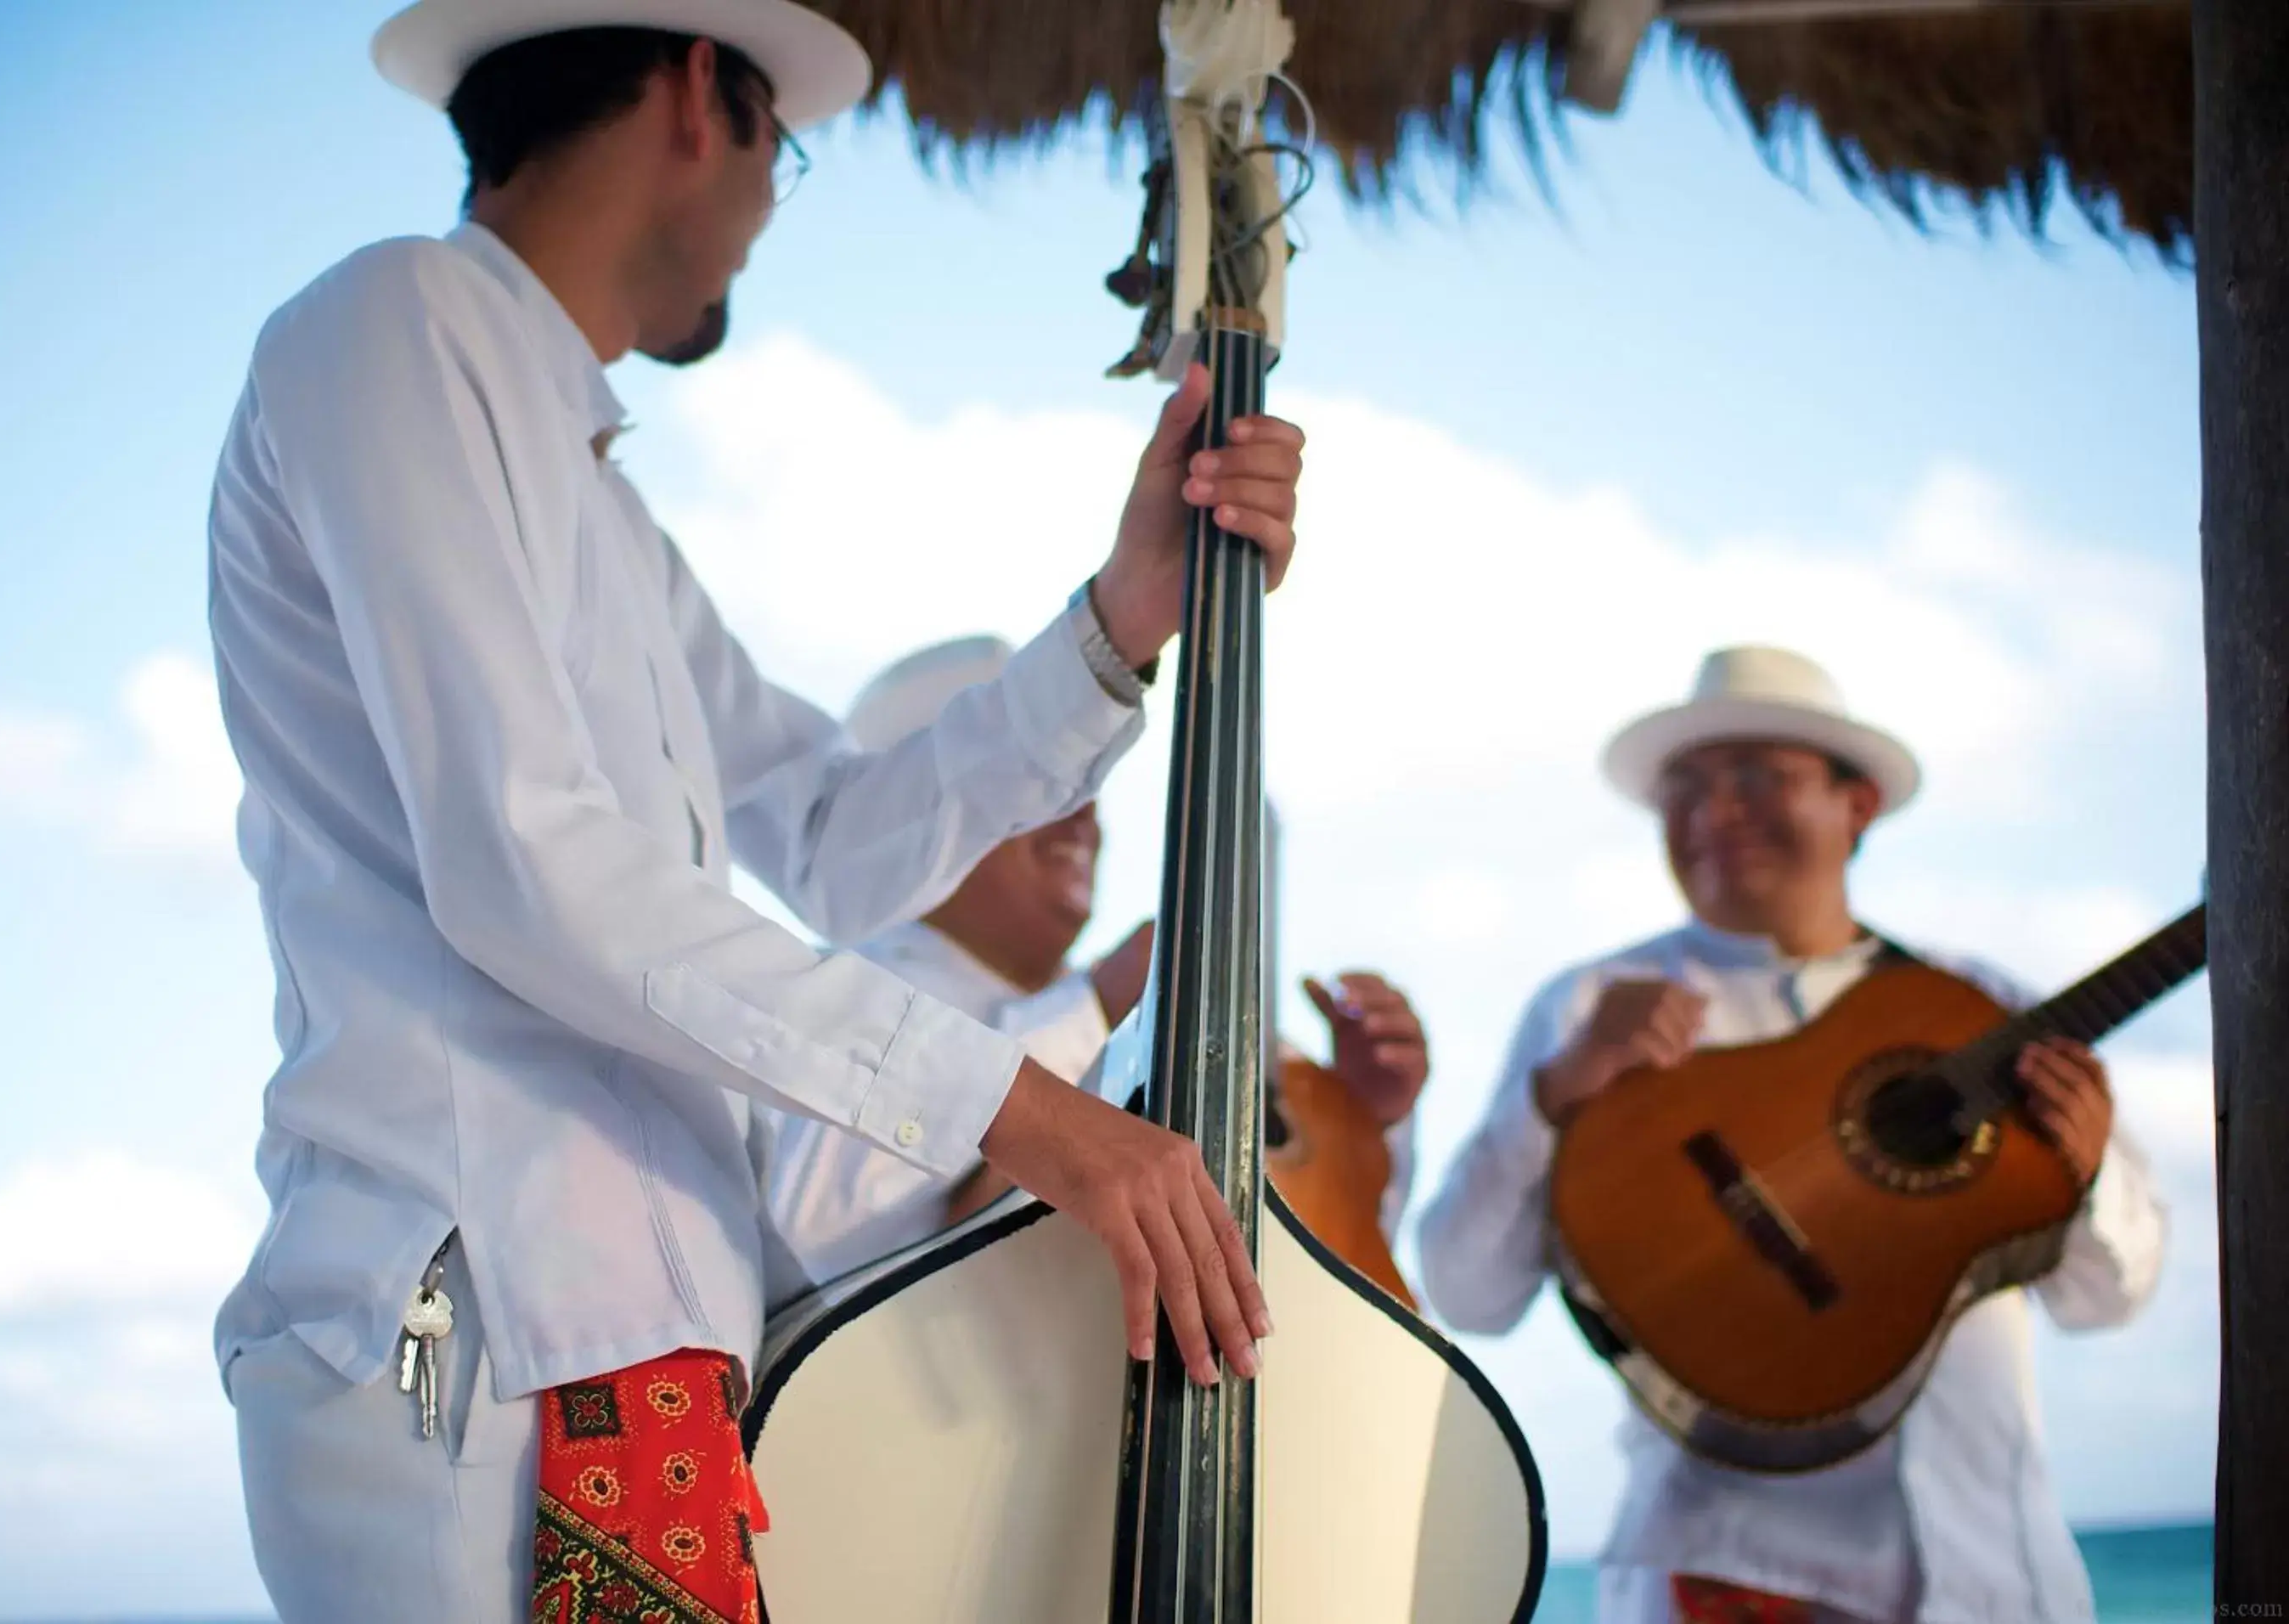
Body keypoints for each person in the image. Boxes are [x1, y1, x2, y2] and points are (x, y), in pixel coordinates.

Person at [201, 3, 1307, 1618]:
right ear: (696, 92)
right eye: (785, 150)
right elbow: (529, 866)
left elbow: (837, 837)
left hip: (655, 1350)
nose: (777, 208)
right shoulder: (395, 322)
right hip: (482, 1340)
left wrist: (1120, 621)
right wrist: (1035, 1108)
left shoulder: (600, 499)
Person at [1412, 646, 2166, 1624]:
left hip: (2000, 1579)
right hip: (1726, 1580)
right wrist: (1554, 1093)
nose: (1715, 814)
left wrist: (2089, 1167)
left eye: (1760, 777)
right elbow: (1468, 1292)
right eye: (1684, 791)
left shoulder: (1980, 1006)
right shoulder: (1591, 1007)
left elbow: (2109, 1298)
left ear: (1857, 805)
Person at [758, 636, 1431, 1294]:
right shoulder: (828, 996)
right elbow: (836, 1242)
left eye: (1085, 788)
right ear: (925, 813)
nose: (1081, 819)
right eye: (1039, 791)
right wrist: (1097, 1015)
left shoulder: (1145, 999)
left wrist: (1357, 1122)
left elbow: (1310, 1276)